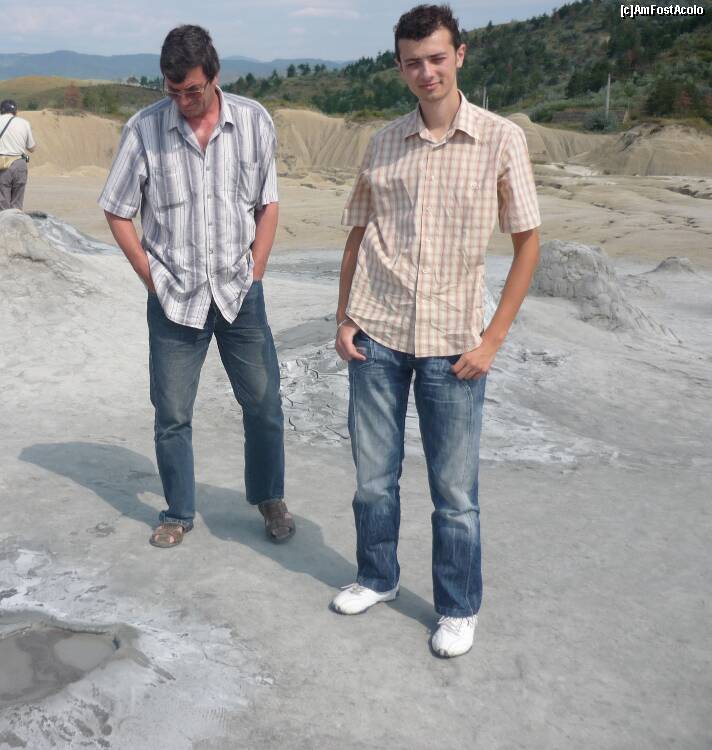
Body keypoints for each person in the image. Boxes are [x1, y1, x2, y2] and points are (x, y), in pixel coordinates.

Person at [330, 4, 541, 658]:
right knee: (373, 477)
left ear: (460, 56)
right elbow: (358, 233)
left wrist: (492, 340)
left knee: (454, 491)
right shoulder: (383, 142)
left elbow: (528, 243)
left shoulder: (501, 139)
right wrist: (344, 316)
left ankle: (457, 606)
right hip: (379, 332)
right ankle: (377, 577)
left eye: (437, 58)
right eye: (413, 62)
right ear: (400, 67)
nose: (427, 72)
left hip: (455, 344)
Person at [99, 25, 292, 549]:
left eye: (193, 91)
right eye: (173, 91)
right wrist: (151, 277)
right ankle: (178, 512)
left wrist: (256, 270)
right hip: (174, 297)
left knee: (264, 404)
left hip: (238, 292)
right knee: (172, 414)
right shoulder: (144, 130)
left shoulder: (253, 121)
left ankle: (270, 498)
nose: (183, 102)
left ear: (215, 75)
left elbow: (267, 202)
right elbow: (116, 210)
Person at [0, 99, 36, 212]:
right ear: (16, 112)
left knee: (1, 208)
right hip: (20, 164)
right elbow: (32, 148)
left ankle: (2, 223)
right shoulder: (24, 123)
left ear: (0, 111)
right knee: (17, 206)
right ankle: (16, 222)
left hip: (2, 165)